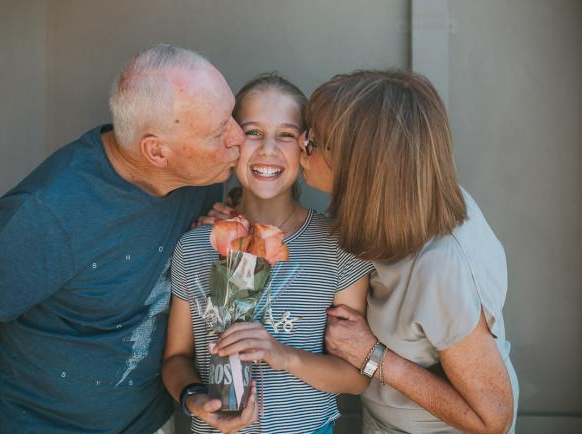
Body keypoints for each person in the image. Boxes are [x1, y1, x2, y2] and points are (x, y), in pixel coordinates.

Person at [0, 44, 245, 434]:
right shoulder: (46, 214)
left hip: (151, 419)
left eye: (232, 115)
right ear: (157, 152)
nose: (238, 136)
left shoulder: (201, 178)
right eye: (220, 132)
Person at [301, 70, 519, 433]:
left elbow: (492, 418)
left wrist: (371, 356)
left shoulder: (441, 268)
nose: (301, 143)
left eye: (315, 141)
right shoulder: (384, 205)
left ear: (360, 170)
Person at [162, 73, 374, 434]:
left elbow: (356, 379)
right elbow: (175, 359)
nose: (268, 149)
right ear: (231, 139)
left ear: (307, 146)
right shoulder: (195, 247)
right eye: (253, 132)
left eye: (287, 134)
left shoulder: (339, 248)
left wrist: (283, 355)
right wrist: (195, 398)